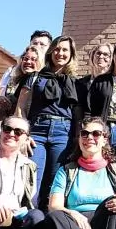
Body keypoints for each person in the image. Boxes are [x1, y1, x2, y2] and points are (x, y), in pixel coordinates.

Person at [15, 35, 79, 211]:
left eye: (65, 50)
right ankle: (29, 222)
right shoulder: (35, 77)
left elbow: (78, 114)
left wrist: (76, 139)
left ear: (71, 54)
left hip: (63, 133)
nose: (60, 53)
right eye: (57, 49)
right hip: (37, 131)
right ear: (51, 52)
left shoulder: (75, 82)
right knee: (32, 179)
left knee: (54, 183)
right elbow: (20, 107)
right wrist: (23, 135)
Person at [0, 31, 52, 98]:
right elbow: (1, 95)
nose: (38, 46)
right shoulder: (12, 72)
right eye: (35, 43)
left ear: (49, 48)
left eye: (42, 44)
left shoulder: (50, 75)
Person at [76, 45, 112, 122]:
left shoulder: (113, 83)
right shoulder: (81, 83)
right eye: (98, 53)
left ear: (111, 59)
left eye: (106, 54)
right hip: (84, 126)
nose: (101, 56)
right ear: (93, 56)